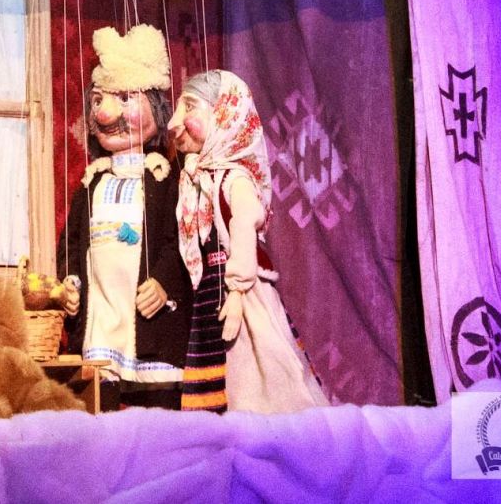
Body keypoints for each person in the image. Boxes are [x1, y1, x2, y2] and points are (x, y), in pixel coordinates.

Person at [168, 69, 328, 413]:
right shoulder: (200, 178)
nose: (174, 123)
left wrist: (238, 291)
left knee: (258, 373)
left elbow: (243, 224)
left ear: (224, 115)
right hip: (213, 291)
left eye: (190, 107)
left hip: (241, 291)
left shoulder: (235, 179)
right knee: (221, 374)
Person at [59, 25, 192, 411]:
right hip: (101, 306)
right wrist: (71, 280)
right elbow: (70, 242)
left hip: (144, 312)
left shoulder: (164, 180)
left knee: (157, 404)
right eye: (99, 99)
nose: (105, 112)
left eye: (124, 98)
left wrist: (164, 282)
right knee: (99, 393)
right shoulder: (91, 183)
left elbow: (179, 238)